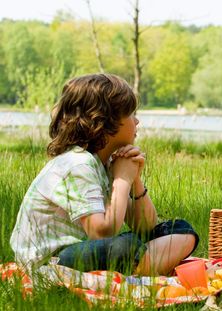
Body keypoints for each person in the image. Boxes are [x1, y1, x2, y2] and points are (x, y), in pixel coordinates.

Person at [10, 73, 198, 275]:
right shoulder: (78, 164)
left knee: (181, 230)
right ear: (106, 122)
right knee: (126, 246)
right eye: (130, 114)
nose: (137, 121)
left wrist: (134, 180)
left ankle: (132, 271)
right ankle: (136, 272)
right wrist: (122, 179)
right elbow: (100, 232)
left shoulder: (106, 162)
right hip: (52, 262)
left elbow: (146, 226)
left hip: (88, 252)